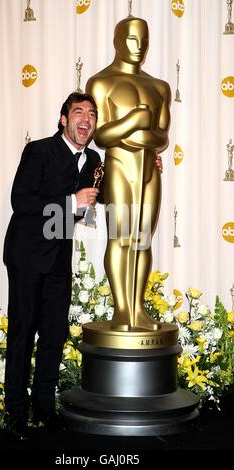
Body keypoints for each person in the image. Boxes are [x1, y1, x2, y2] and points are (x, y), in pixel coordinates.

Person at [3, 92, 100, 439]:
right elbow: (21, 201)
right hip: (27, 254)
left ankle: (44, 408)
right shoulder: (39, 150)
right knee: (23, 332)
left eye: (91, 114)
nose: (85, 119)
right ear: (64, 120)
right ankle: (15, 413)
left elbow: (111, 191)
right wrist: (71, 201)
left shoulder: (93, 160)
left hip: (60, 256)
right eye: (78, 112)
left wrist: (149, 164)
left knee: (55, 335)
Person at [86, 16, 171, 332]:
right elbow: (101, 136)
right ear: (118, 41)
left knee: (142, 241)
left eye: (144, 40)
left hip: (149, 171)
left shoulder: (159, 86)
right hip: (120, 168)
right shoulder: (100, 82)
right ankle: (122, 310)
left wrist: (138, 136)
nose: (139, 46)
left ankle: (137, 307)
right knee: (120, 238)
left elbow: (161, 137)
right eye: (132, 39)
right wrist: (135, 120)